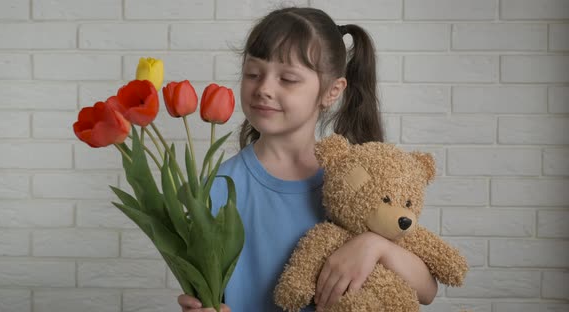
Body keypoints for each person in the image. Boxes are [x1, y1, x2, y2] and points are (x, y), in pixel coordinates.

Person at [178, 7, 437, 312]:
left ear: (332, 91)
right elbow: (211, 292)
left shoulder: (357, 180)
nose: (264, 89)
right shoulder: (218, 188)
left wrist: (374, 246)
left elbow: (427, 290)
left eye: (288, 79)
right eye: (253, 74)